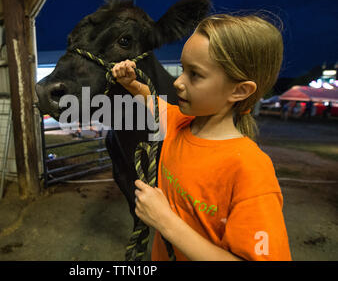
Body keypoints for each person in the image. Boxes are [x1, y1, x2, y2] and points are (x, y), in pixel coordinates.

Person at [112, 13, 291, 261]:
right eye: (183, 69)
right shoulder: (179, 122)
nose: (178, 82)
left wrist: (165, 222)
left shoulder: (249, 169)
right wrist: (131, 84)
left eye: (194, 74)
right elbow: (151, 100)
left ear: (239, 90)